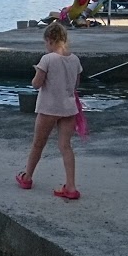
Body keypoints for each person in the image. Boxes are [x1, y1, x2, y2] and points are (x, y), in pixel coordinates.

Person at [16, 21, 83, 199]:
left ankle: (27, 177)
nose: (45, 46)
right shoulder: (75, 59)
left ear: (51, 40)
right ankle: (71, 186)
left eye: (46, 42)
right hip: (68, 108)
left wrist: (37, 72)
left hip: (49, 107)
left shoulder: (47, 59)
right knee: (65, 146)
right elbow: (76, 84)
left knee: (38, 144)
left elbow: (36, 84)